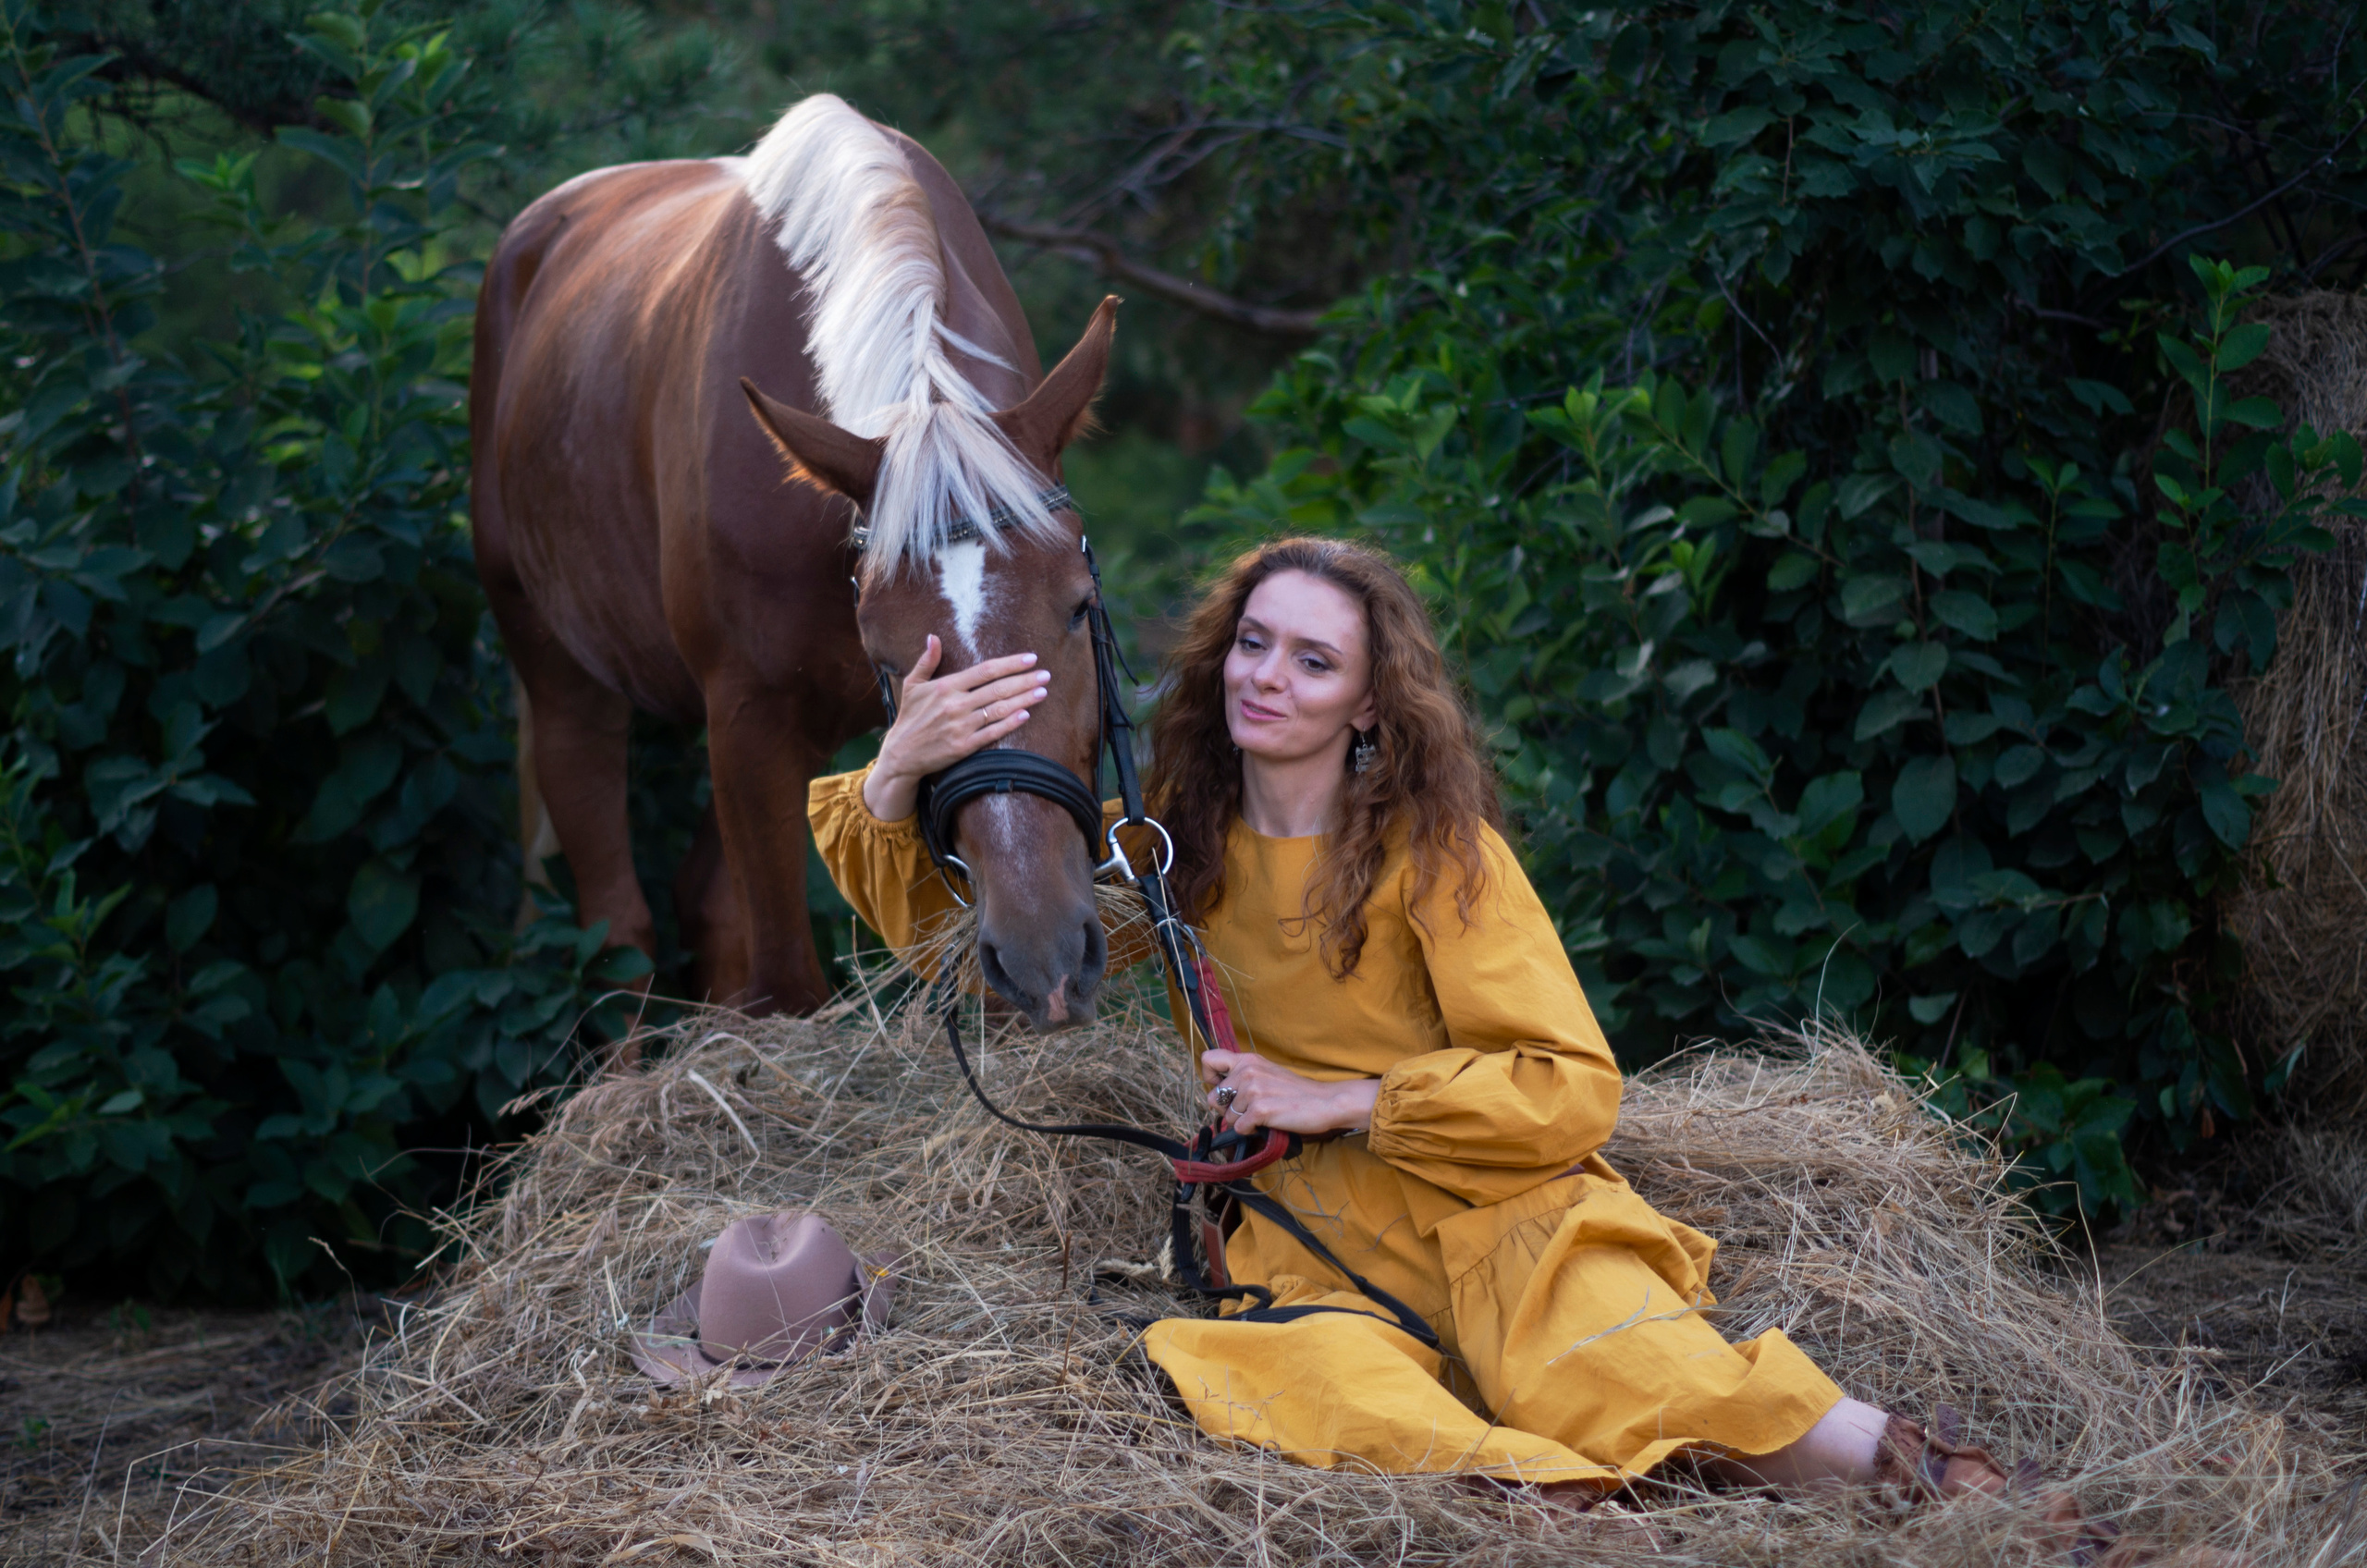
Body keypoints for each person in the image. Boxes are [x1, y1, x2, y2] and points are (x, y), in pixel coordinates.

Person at [809, 536, 2109, 1541]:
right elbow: (978, 947)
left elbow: (1572, 1088)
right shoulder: (1171, 846)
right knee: (1324, 1390)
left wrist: (1343, 1097)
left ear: (1371, 704)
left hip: (1504, 1211)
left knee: (1663, 1382)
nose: (1266, 678)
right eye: (1253, 644)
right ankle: (1578, 1516)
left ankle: (2000, 1513)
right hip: (1311, 1241)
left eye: (1312, 661)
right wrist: (896, 775)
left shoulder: (1440, 855)